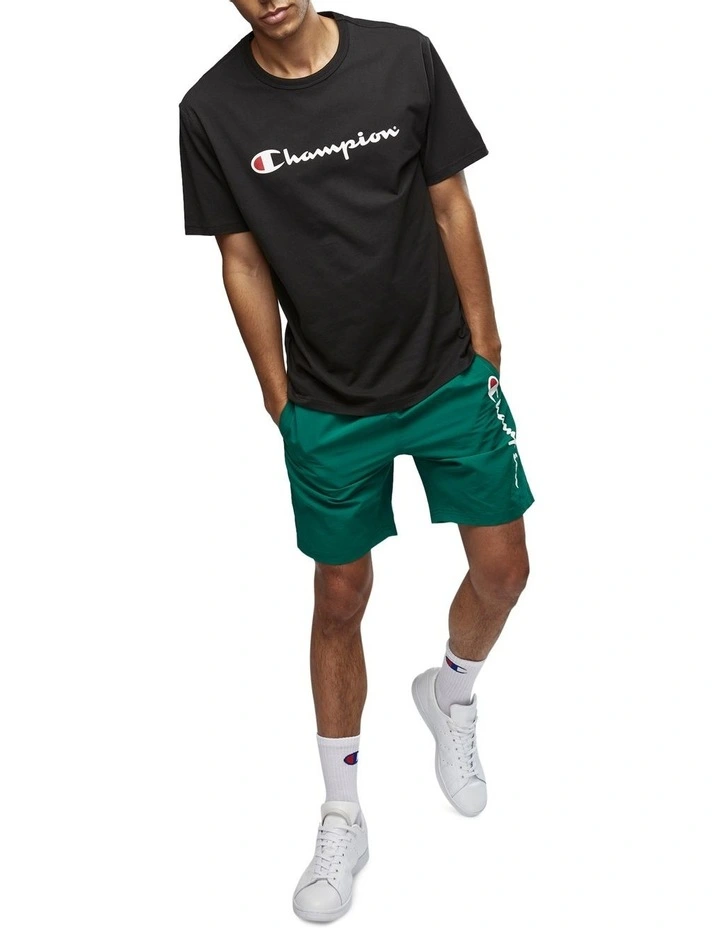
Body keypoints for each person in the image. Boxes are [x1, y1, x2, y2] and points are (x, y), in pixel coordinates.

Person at [178, 3, 535, 921]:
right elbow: (240, 260)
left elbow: (450, 202)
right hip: (329, 405)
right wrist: (277, 397)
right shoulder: (211, 109)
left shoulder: (402, 56)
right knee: (339, 599)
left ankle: (450, 694)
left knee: (504, 572)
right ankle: (343, 814)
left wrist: (487, 346)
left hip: (448, 374)